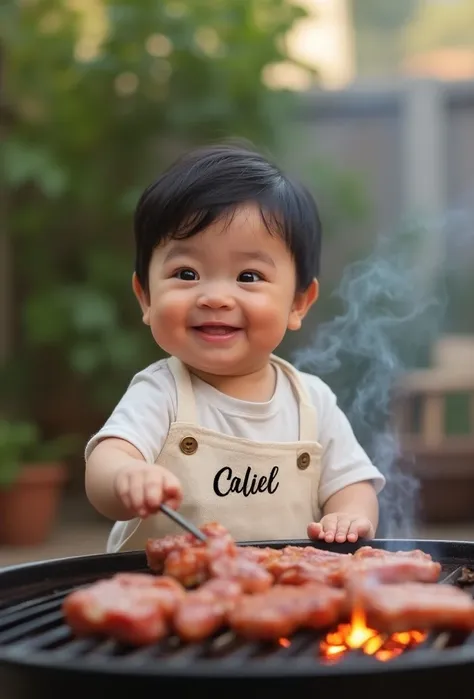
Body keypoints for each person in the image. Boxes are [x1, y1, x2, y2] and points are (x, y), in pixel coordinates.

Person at [84, 142, 385, 553]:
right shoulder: (162, 392)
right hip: (163, 597)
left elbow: (353, 484)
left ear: (298, 302)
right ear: (146, 298)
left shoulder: (311, 401)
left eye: (248, 275)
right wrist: (126, 476)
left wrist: (350, 514)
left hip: (281, 596)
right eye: (186, 273)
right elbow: (106, 461)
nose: (216, 297)